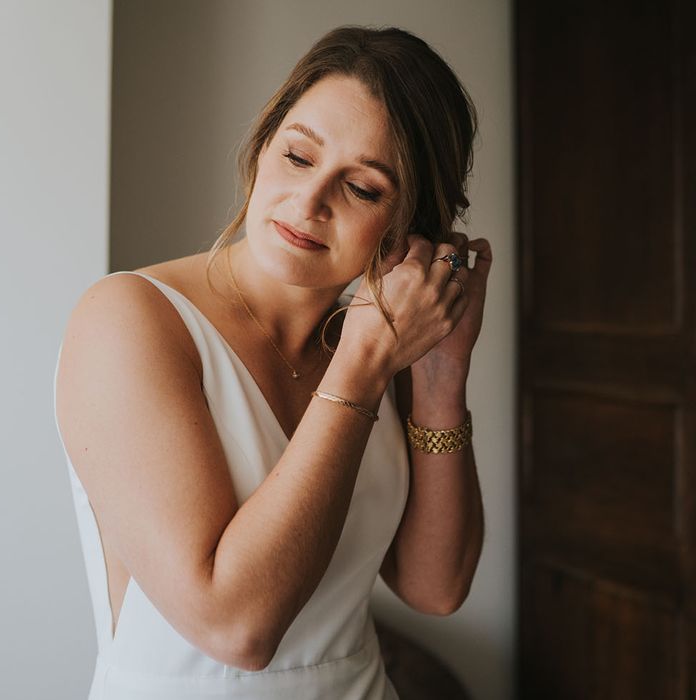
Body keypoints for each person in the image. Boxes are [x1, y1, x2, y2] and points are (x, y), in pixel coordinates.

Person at [53, 24, 491, 700]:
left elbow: (435, 588)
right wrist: (364, 364)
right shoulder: (130, 319)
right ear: (262, 146)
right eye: (297, 155)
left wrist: (442, 370)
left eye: (363, 189)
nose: (309, 202)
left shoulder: (379, 341)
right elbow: (236, 630)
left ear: (410, 230)